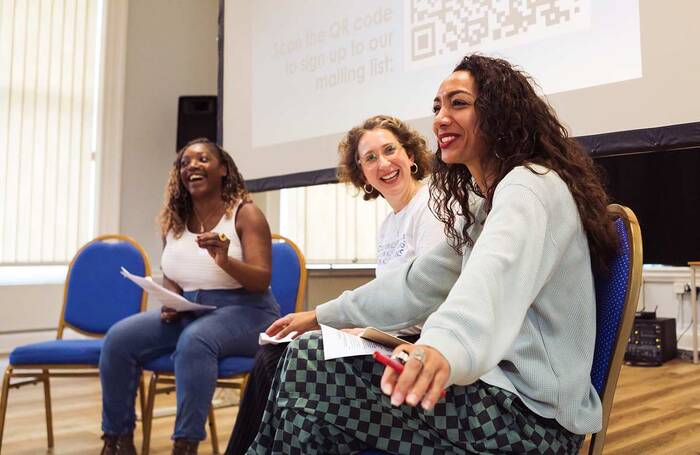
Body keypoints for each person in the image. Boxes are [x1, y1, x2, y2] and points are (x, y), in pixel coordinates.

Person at [247, 54, 618, 454]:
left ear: (500, 113)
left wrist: (440, 345)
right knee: (309, 378)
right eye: (437, 107)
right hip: (495, 398)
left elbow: (490, 283)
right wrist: (321, 316)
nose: (440, 118)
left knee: (309, 364)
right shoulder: (487, 205)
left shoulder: (528, 187)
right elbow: (414, 285)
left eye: (458, 104)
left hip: (532, 424)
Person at [224, 115, 445, 454]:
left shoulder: (431, 206)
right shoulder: (388, 225)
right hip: (387, 335)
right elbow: (386, 300)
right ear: (362, 175)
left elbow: (424, 299)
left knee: (284, 359)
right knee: (272, 353)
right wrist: (357, 328)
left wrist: (346, 326)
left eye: (390, 150)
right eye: (370, 158)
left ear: (411, 156)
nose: (383, 163)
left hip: (416, 344)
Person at [99, 138, 280, 455]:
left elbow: (261, 279)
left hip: (249, 312)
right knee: (118, 339)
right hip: (191, 310)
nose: (192, 166)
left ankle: (185, 445)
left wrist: (225, 260)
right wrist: (171, 298)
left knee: (195, 341)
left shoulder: (245, 214)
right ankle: (117, 442)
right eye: (185, 162)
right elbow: (172, 271)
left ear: (223, 169)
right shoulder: (175, 220)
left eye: (203, 159)